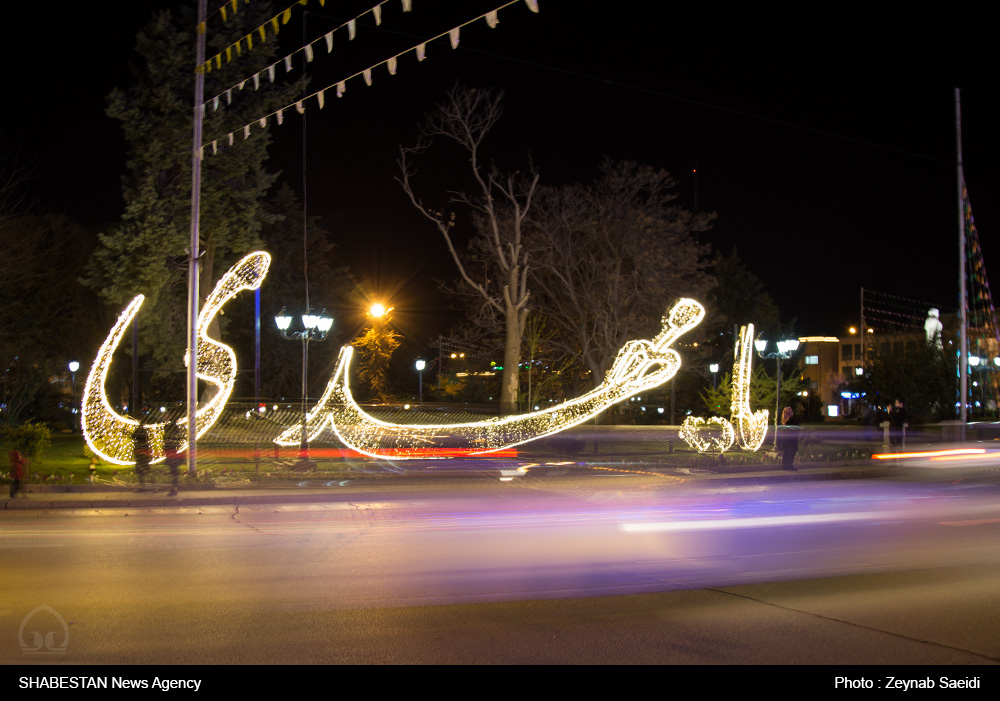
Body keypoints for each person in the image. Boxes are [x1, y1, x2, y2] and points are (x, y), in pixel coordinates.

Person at [163, 424, 184, 497]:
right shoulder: (174, 438)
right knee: (174, 473)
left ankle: (174, 489)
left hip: (173, 457)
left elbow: (169, 447)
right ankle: (174, 489)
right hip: (172, 457)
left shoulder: (171, 438)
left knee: (174, 473)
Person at [777, 406, 800, 471]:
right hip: (792, 439)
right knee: (791, 452)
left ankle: (785, 466)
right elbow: (797, 428)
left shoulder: (785, 421)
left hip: (786, 438)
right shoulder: (792, 420)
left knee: (786, 452)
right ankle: (789, 466)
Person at [133, 423, 151, 491]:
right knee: (142, 469)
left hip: (140, 452)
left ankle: (143, 487)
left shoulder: (140, 431)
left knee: (141, 469)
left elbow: (135, 436)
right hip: (143, 452)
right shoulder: (144, 431)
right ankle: (143, 486)